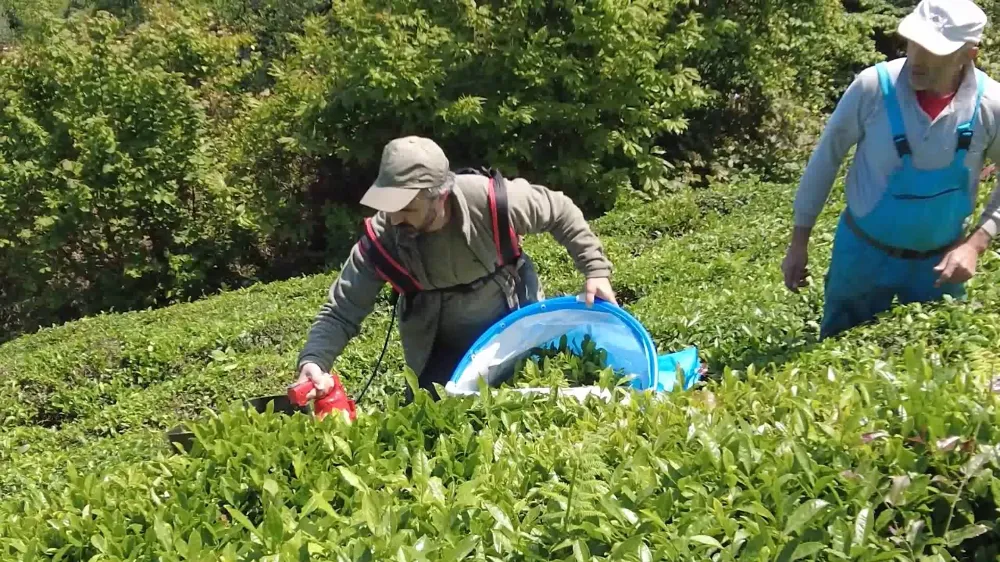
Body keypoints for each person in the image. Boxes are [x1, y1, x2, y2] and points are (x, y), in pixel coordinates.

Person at [294, 136, 617, 402]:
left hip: (513, 318)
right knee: (436, 414)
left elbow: (559, 210)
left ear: (441, 196)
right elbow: (341, 311)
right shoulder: (380, 240)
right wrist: (314, 360)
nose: (395, 218)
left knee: (534, 398)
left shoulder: (491, 201)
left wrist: (595, 270)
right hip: (439, 339)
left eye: (408, 208)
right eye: (389, 207)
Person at [781, 0, 1000, 339]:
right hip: (863, 256)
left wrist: (975, 244)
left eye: (934, 50)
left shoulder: (990, 105)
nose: (917, 57)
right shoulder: (872, 88)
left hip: (939, 266)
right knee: (840, 353)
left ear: (969, 54)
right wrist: (799, 241)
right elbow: (826, 158)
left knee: (934, 357)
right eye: (914, 42)